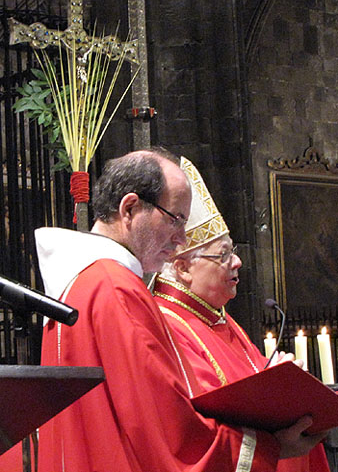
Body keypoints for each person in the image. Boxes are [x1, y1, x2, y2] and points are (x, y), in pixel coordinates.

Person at [34, 149, 326, 472]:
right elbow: (170, 433)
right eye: (176, 219)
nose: (181, 239)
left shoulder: (80, 281)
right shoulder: (117, 289)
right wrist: (271, 448)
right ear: (130, 208)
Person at [153, 156, 330, 472]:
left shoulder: (219, 318)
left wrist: (280, 376)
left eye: (232, 251)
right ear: (182, 268)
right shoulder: (167, 324)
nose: (236, 262)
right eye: (223, 254)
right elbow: (198, 425)